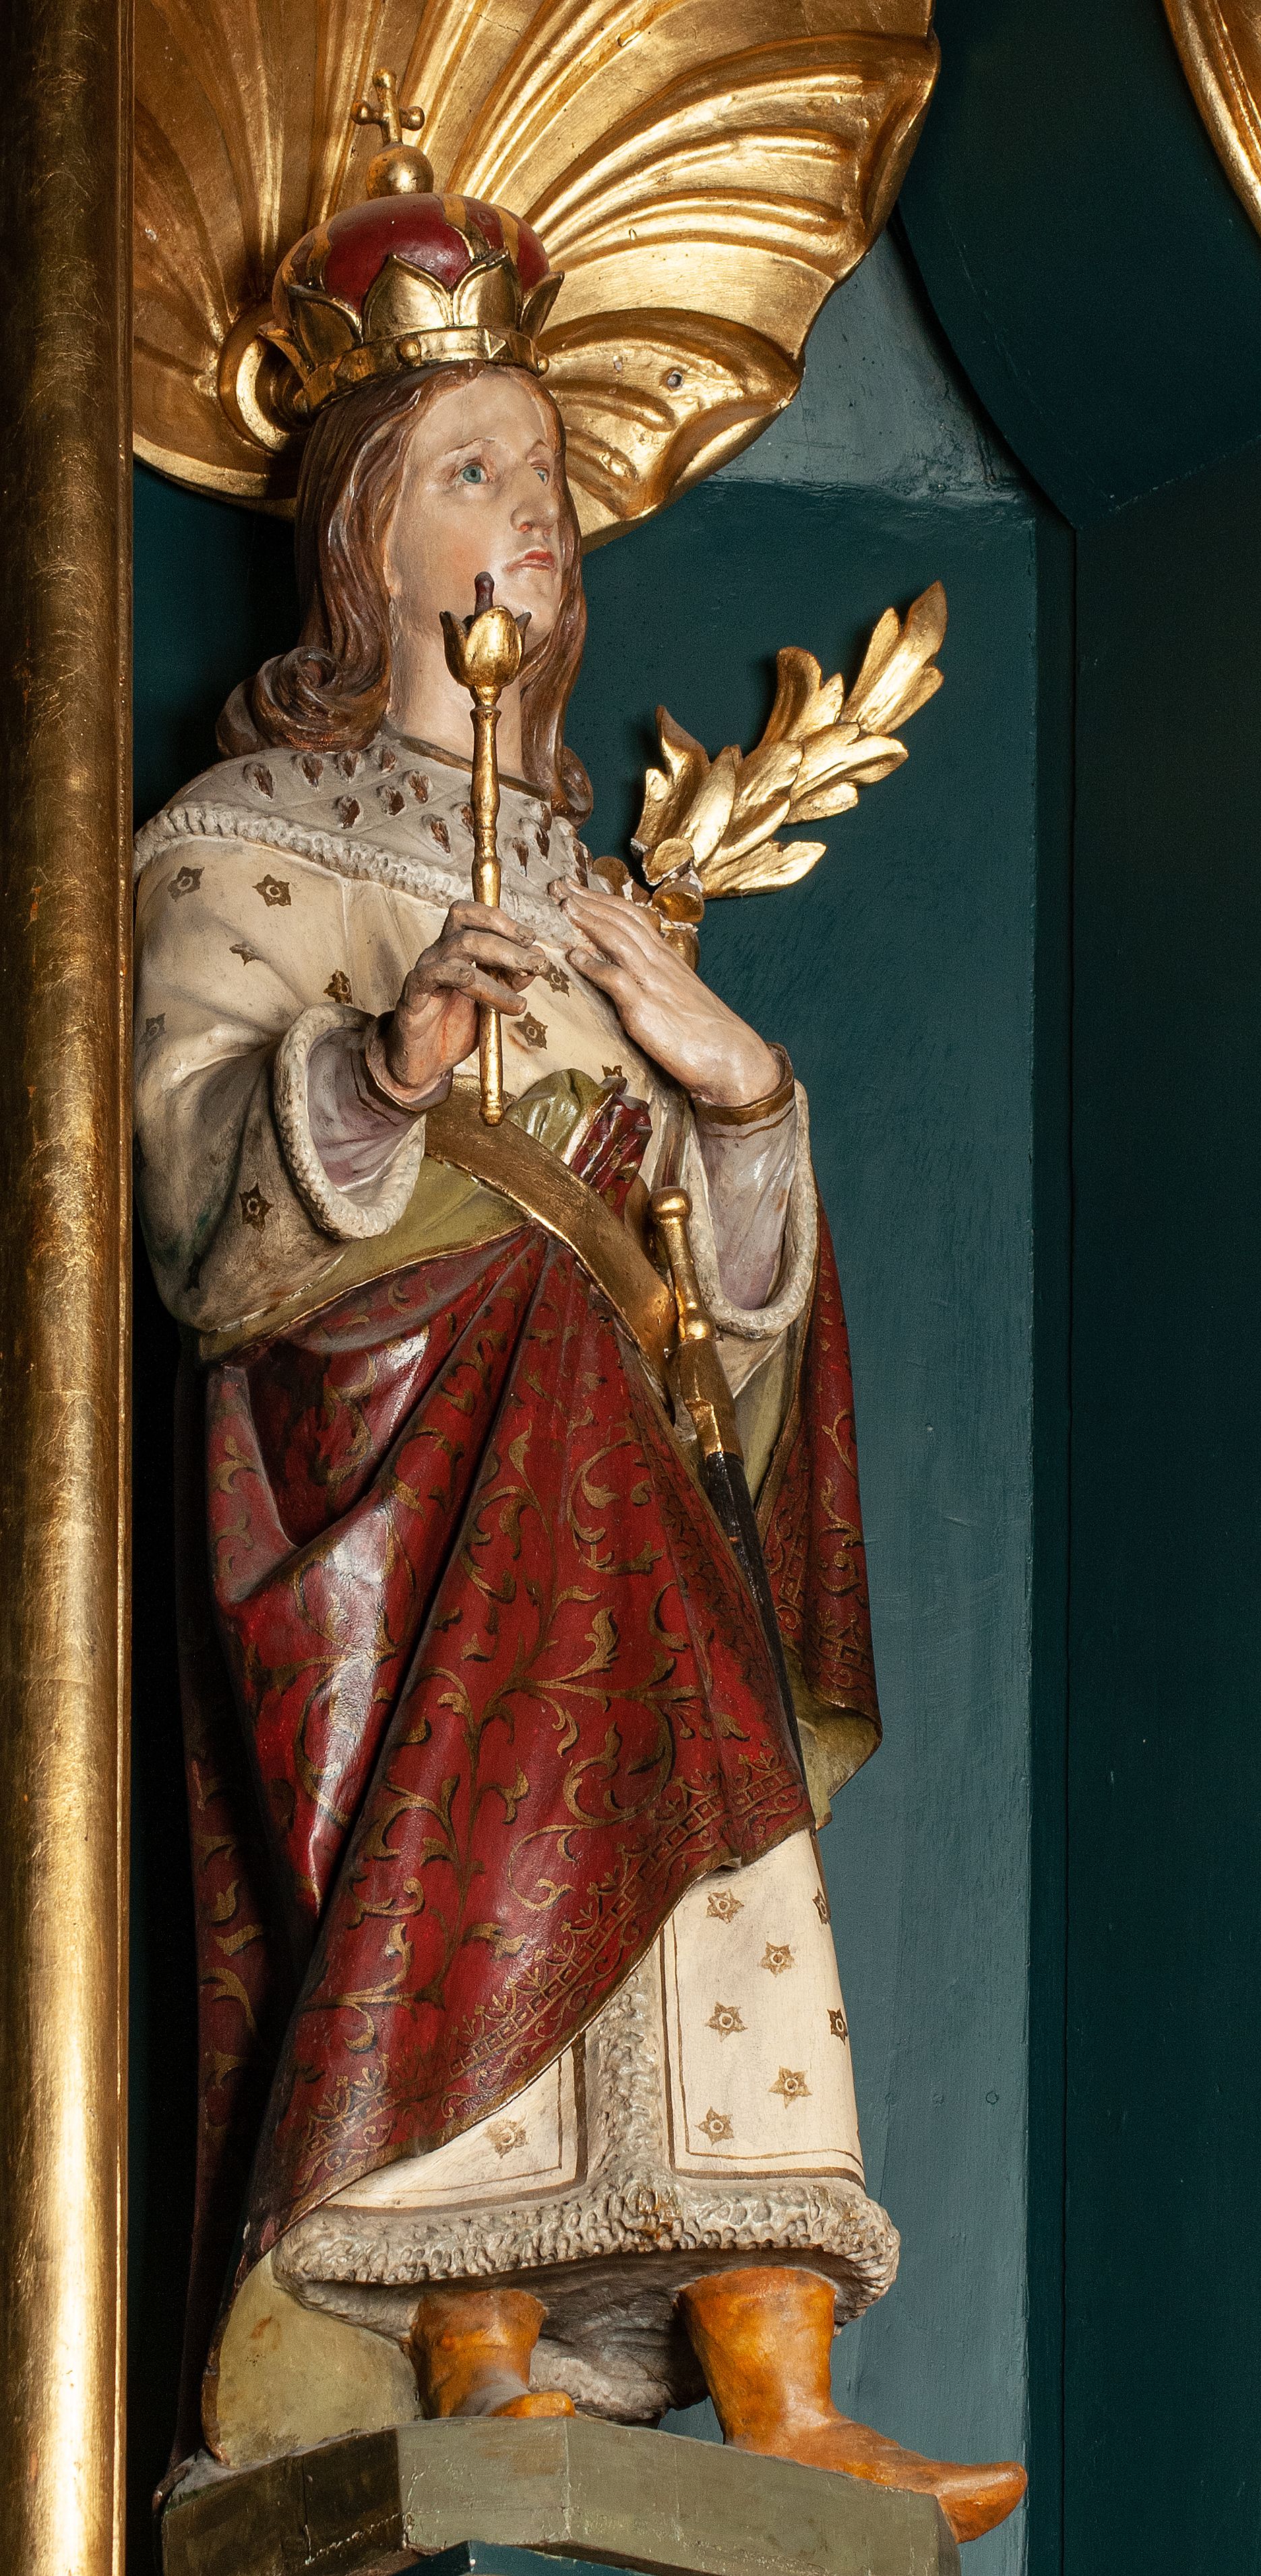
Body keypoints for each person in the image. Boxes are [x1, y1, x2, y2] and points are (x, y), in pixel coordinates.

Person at [134, 159, 1024, 2546]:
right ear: (369, 540)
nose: (532, 512)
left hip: (620, 1492)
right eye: (474, 469)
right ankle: (473, 2339)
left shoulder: (599, 895)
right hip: (403, 1502)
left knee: (717, 1884)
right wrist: (390, 1061)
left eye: (544, 470)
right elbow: (206, 1229)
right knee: (531, 1393)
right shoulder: (239, 839)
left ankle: (777, 2379)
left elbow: (728, 1327)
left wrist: (738, 1099)